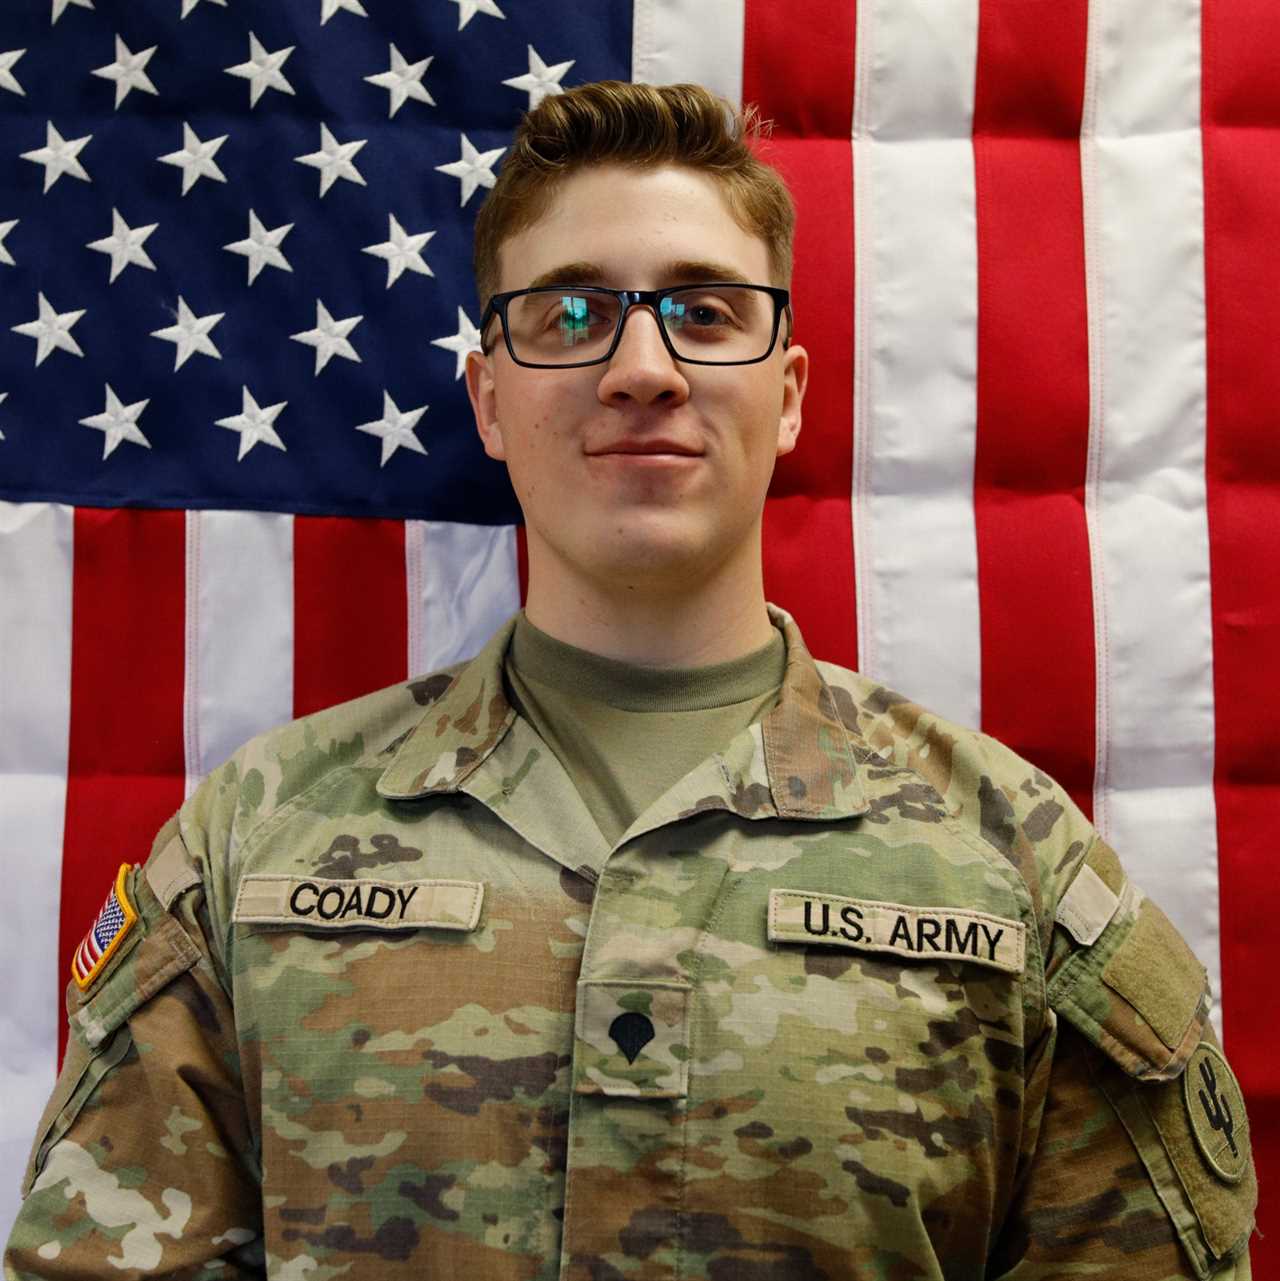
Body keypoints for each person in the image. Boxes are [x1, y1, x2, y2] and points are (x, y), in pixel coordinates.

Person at [4, 81, 1256, 1280]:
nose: (641, 369)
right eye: (567, 314)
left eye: (704, 313)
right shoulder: (254, 841)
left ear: (790, 394)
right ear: (487, 402)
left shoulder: (1016, 864)